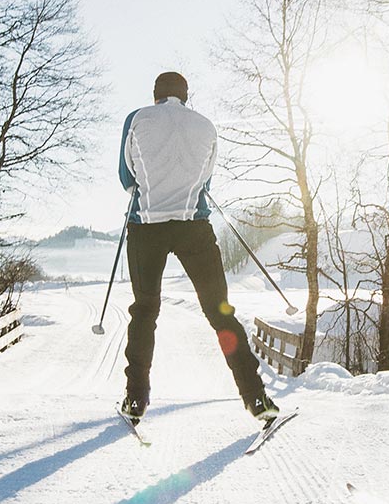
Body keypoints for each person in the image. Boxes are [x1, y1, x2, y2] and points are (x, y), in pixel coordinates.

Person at [117, 70, 279, 426]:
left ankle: (136, 400)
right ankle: (255, 397)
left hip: (147, 227)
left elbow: (127, 177)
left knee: (145, 311)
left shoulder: (137, 119)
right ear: (186, 96)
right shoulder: (206, 126)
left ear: (155, 94)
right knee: (220, 312)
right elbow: (206, 179)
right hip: (194, 228)